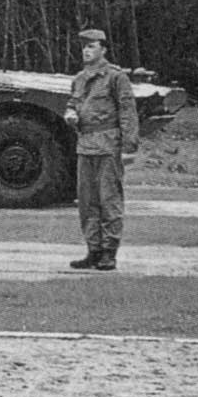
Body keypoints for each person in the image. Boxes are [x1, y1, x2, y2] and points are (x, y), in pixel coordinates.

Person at [63, 28, 137, 271]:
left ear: (103, 50)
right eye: (84, 46)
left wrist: (129, 146)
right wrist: (70, 114)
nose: (86, 51)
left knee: (109, 200)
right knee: (87, 203)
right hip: (85, 146)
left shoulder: (116, 77)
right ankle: (93, 250)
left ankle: (109, 252)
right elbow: (72, 102)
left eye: (91, 46)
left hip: (108, 145)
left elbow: (127, 111)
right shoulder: (79, 79)